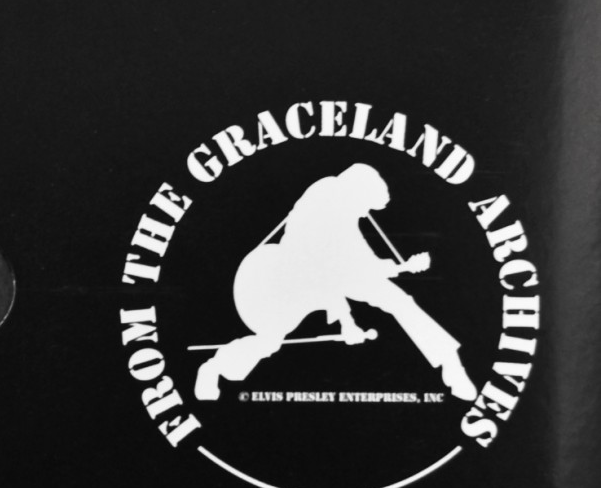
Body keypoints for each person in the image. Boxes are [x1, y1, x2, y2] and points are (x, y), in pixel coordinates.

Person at [192, 162, 475, 402]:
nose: (365, 215)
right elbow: (327, 269)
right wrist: (347, 321)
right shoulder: (325, 201)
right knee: (270, 341)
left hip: (323, 276)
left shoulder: (344, 209)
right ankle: (213, 368)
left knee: (400, 301)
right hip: (283, 280)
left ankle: (452, 369)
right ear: (357, 193)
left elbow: (359, 265)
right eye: (366, 207)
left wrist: (402, 268)